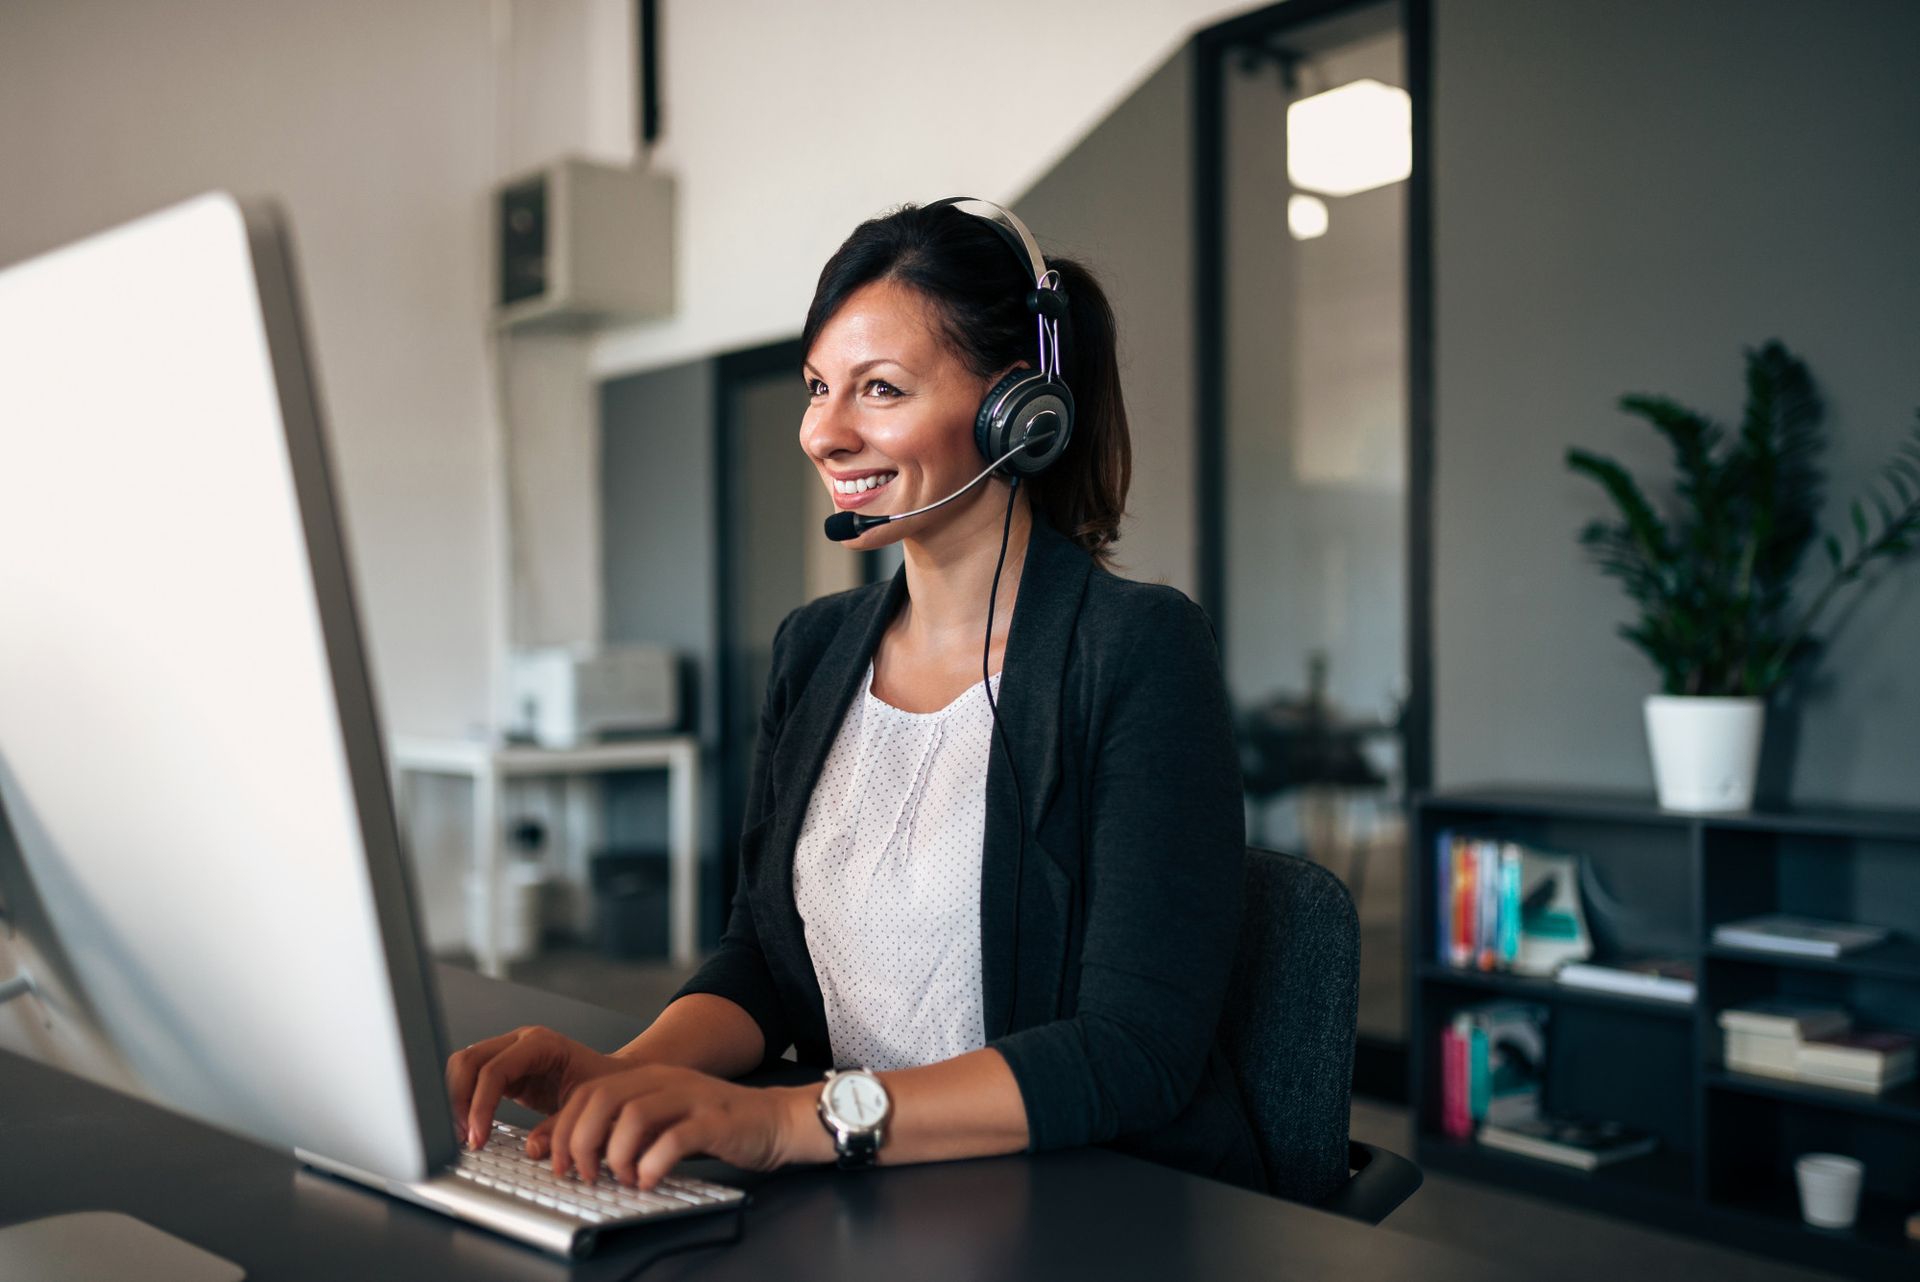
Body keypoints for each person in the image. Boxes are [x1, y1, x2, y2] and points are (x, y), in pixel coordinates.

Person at [447, 199, 1261, 1193]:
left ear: (1018, 410)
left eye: (879, 389)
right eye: (817, 387)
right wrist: (625, 1069)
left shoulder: (1135, 649)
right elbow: (764, 960)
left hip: (1070, 1196)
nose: (824, 433)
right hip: (863, 1186)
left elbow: (1135, 1049)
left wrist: (791, 1119)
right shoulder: (816, 650)